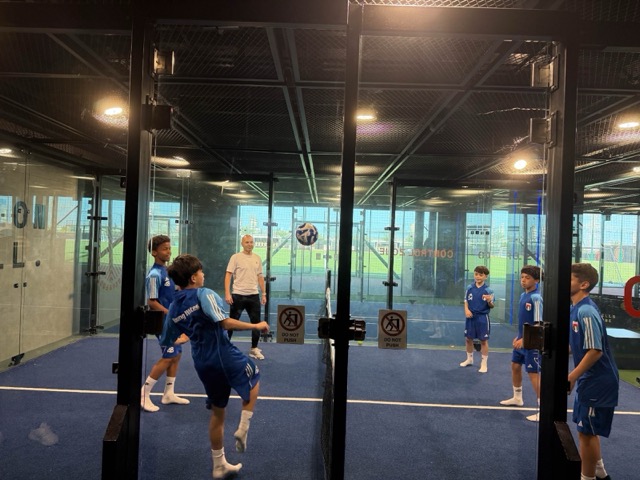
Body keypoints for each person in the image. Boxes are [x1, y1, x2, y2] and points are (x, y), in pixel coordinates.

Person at [162, 254, 269, 479]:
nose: (203, 274)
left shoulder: (174, 306)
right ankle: (243, 428)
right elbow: (225, 322)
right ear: (193, 278)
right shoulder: (204, 293)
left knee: (218, 412)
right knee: (254, 377)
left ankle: (219, 465)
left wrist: (189, 334)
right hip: (223, 354)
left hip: (202, 362)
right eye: (200, 272)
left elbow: (168, 338)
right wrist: (256, 325)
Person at [568, 263, 618, 480]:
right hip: (590, 379)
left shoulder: (586, 310)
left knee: (586, 433)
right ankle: (600, 473)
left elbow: (595, 351)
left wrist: (572, 377)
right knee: (587, 430)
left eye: (569, 278)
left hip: (598, 381)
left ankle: (587, 478)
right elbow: (578, 345)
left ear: (584, 284)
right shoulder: (576, 308)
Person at [140, 235, 190, 413]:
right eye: (164, 249)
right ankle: (143, 394)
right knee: (169, 356)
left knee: (176, 355)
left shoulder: (168, 271)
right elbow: (152, 302)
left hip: (173, 322)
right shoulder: (154, 275)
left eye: (169, 248)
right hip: (163, 322)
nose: (168, 251)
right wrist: (171, 315)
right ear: (154, 252)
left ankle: (168, 394)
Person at [500, 265, 543, 422]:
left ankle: (543, 409)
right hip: (522, 340)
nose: (523, 280)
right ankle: (517, 398)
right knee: (515, 366)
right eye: (522, 277)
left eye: (527, 278)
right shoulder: (523, 295)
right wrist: (519, 336)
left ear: (536, 280)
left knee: (533, 373)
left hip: (532, 343)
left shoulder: (536, 298)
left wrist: (525, 340)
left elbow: (539, 324)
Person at [225, 234, 267, 360]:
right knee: (232, 323)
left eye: (251, 242)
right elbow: (228, 275)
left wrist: (263, 293)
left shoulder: (257, 258)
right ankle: (224, 348)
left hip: (253, 296)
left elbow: (260, 277)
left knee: (256, 323)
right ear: (242, 244)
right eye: (247, 242)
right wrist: (227, 293)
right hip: (238, 295)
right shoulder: (235, 257)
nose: (249, 244)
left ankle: (254, 349)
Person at [459, 265, 494, 373]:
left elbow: (492, 305)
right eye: (476, 274)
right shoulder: (469, 287)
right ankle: (469, 359)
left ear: (485, 276)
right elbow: (466, 300)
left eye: (480, 275)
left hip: (482, 318)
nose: (478, 277)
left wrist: (489, 301)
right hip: (470, 317)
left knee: (483, 340)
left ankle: (484, 363)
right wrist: (466, 310)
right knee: (468, 339)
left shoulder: (488, 290)